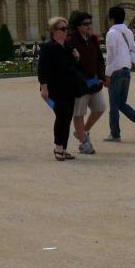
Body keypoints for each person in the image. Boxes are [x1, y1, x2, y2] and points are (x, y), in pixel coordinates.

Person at [37, 17, 83, 161]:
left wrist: (76, 56)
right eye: (62, 29)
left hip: (69, 87)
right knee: (62, 115)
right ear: (53, 31)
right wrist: (44, 88)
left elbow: (72, 66)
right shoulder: (47, 47)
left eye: (66, 29)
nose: (65, 31)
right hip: (54, 89)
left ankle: (63, 148)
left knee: (68, 117)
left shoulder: (67, 46)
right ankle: (58, 147)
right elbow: (42, 69)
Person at [103, 6, 135, 141]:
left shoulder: (111, 33)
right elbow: (133, 48)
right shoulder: (128, 32)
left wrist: (107, 74)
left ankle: (115, 134)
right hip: (127, 70)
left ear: (111, 19)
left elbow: (111, 56)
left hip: (116, 71)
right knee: (121, 103)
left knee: (114, 106)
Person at [67, 12, 106, 155]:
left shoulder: (93, 39)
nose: (89, 26)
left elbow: (100, 60)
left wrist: (102, 76)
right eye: (86, 24)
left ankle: (82, 132)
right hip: (79, 85)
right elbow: (69, 65)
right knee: (79, 113)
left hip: (94, 82)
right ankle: (84, 142)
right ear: (77, 26)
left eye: (90, 23)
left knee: (100, 107)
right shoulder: (71, 42)